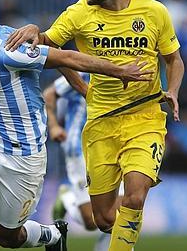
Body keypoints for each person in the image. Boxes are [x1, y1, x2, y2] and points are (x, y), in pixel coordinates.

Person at [0, 0, 153, 251]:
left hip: (23, 157)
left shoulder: (8, 51)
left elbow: (65, 57)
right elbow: (57, 56)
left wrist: (120, 71)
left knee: (8, 238)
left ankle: (51, 235)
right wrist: (81, 89)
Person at [6, 0, 185, 251]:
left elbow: (174, 59)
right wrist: (79, 84)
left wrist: (173, 90)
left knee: (136, 196)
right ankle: (73, 207)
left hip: (145, 117)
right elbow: (50, 49)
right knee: (101, 219)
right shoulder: (79, 13)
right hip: (101, 122)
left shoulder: (154, 11)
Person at [44, 73, 122, 251]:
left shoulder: (120, 68)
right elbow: (49, 94)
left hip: (112, 148)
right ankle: (67, 198)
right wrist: (54, 126)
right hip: (79, 149)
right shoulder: (83, 74)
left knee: (120, 213)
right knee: (91, 221)